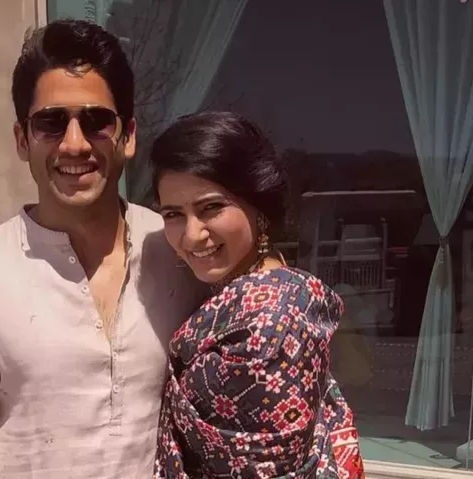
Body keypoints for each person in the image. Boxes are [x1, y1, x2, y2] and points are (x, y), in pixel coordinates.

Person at [0, 20, 205, 479]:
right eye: (50, 123)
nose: (74, 144)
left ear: (128, 136)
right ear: (22, 140)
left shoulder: (179, 252)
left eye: (96, 121)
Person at [151, 111, 365, 478]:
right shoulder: (252, 289)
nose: (192, 235)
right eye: (173, 214)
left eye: (211, 207)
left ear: (259, 205)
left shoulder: (268, 325)